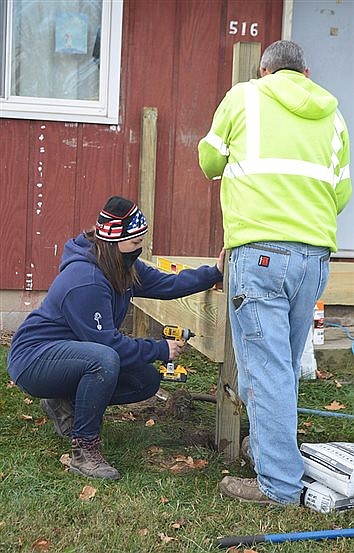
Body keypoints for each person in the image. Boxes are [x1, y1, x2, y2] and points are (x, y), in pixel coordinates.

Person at [198, 40, 351, 505]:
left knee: (267, 373)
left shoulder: (243, 97)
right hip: (313, 260)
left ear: (265, 70)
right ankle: (270, 451)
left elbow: (209, 162)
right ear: (304, 72)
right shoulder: (333, 116)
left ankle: (279, 485)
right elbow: (340, 194)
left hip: (260, 252)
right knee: (277, 365)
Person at [8, 196, 225, 480]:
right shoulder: (86, 279)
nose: (140, 249)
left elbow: (167, 283)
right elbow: (107, 345)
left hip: (71, 355)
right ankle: (84, 451)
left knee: (144, 380)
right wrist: (160, 348)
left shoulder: (121, 266)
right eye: (135, 244)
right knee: (104, 359)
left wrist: (214, 273)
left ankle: (64, 402)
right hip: (34, 360)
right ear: (115, 241)